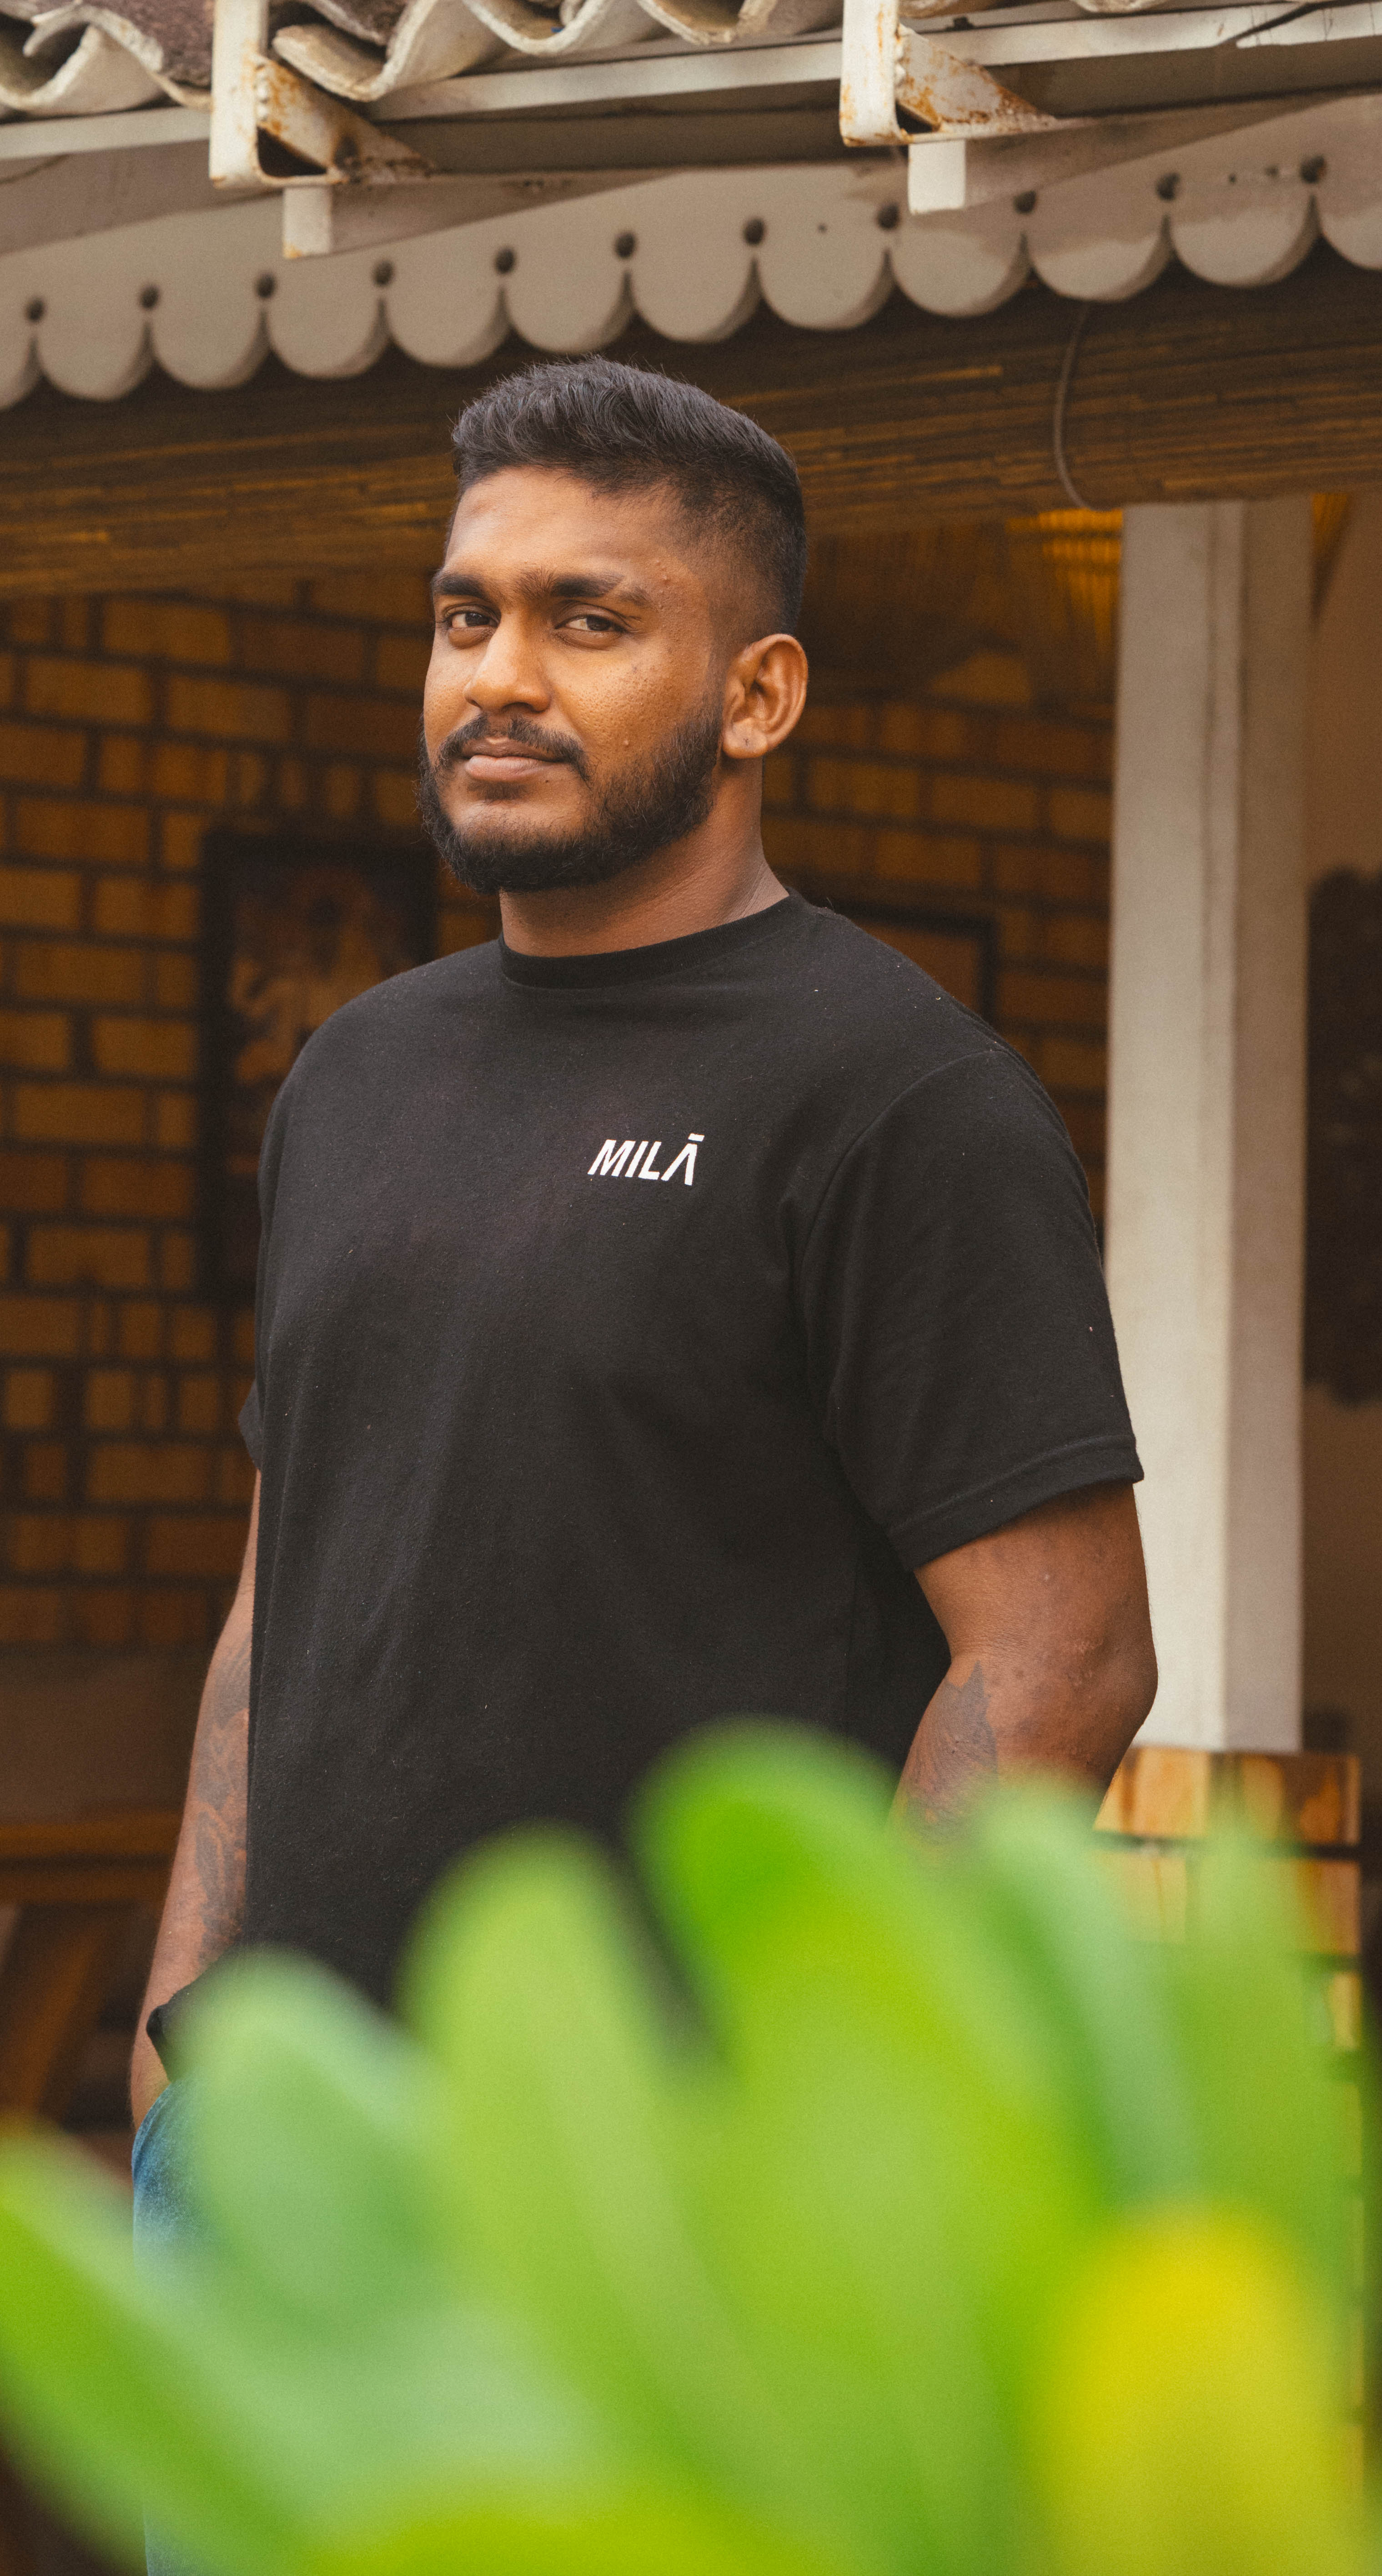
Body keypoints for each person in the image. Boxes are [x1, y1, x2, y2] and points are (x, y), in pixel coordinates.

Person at [132, 355, 1155, 2180]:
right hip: (283, 2142)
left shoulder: (893, 1093)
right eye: (467, 615)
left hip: (653, 2176)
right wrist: (179, 2024)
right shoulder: (357, 1073)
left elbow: (1065, 1658)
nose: (501, 674)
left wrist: (813, 2098)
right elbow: (282, 1587)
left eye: (587, 618)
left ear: (759, 693)